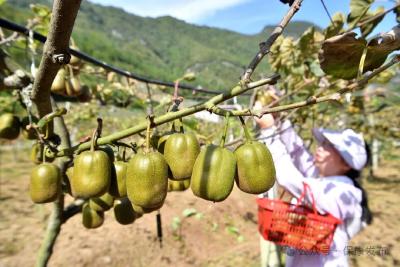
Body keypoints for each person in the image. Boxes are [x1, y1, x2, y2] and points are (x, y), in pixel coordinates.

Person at [255, 101, 373, 267]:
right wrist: (281, 121)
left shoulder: (343, 193)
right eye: (322, 143)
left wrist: (269, 131)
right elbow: (298, 152)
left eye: (328, 146)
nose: (319, 148)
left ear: (346, 164)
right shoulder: (323, 178)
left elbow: (292, 180)